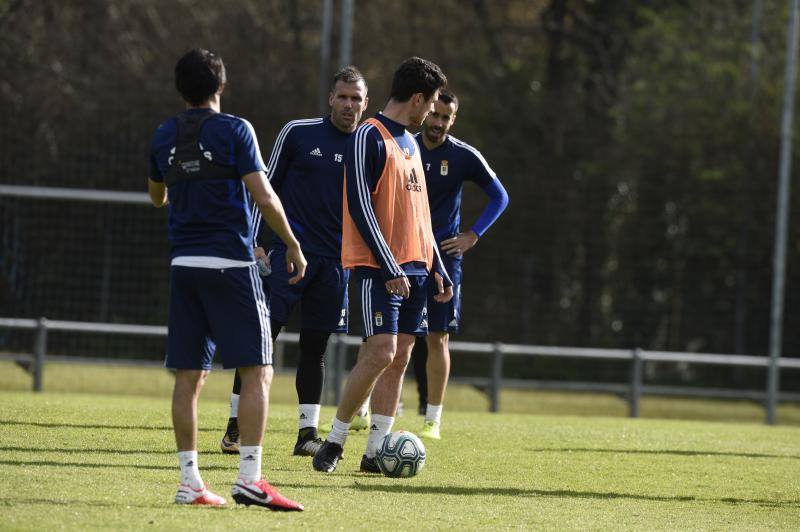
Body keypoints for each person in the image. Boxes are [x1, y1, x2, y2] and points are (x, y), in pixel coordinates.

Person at [148, 48, 305, 510]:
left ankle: (189, 482)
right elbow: (263, 193)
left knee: (189, 375)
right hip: (231, 266)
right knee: (258, 369)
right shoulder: (236, 129)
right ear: (221, 86)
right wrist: (292, 245)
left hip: (183, 266)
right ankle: (251, 479)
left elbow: (156, 196)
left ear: (180, 88)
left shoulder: (162, 134)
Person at [220, 66, 371, 457]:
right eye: (343, 97)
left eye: (356, 99)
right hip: (288, 256)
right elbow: (264, 188)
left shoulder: (369, 148)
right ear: (330, 98)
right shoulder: (298, 133)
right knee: (261, 342)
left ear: (365, 104)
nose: (349, 105)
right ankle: (235, 427)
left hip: (336, 266)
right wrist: (254, 241)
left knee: (315, 348)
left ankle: (306, 434)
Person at [312, 57, 452, 474]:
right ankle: (335, 441)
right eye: (429, 104)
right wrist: (389, 265)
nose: (431, 114)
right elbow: (358, 205)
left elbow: (422, 214)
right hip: (379, 268)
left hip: (416, 268)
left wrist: (438, 264)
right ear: (415, 99)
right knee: (380, 353)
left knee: (400, 357)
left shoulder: (410, 142)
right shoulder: (368, 137)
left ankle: (374, 454)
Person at [411, 89, 509, 440]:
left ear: (453, 120)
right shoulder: (403, 145)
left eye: (444, 118)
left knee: (437, 338)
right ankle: (368, 410)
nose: (437, 123)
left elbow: (500, 196)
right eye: (433, 115)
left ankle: (433, 419)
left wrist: (473, 235)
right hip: (404, 253)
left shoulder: (463, 156)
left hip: (444, 259)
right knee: (386, 336)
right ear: (423, 111)